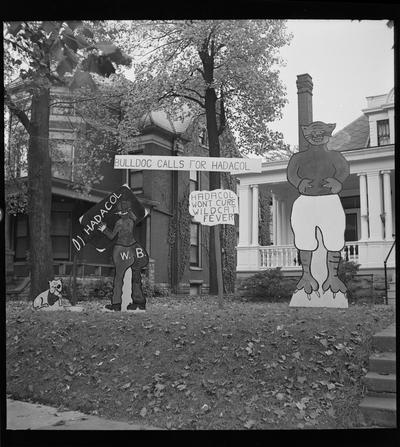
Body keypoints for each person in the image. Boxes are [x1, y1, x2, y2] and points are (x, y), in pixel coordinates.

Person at [287, 121, 350, 300]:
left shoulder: (336, 156)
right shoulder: (297, 158)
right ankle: (306, 275)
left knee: (334, 238)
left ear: (329, 133)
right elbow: (292, 173)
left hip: (330, 200)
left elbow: (344, 170)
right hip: (304, 201)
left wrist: (337, 181)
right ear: (306, 133)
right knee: (304, 238)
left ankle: (333, 277)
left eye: (320, 131)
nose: (316, 135)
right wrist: (299, 182)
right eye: (312, 131)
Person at [97, 200, 149, 311]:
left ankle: (116, 304)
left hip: (122, 249)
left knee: (119, 278)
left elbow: (111, 236)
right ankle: (139, 302)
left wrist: (103, 229)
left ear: (121, 212)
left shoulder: (120, 223)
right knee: (136, 277)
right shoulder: (132, 221)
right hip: (134, 248)